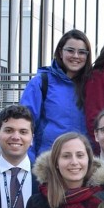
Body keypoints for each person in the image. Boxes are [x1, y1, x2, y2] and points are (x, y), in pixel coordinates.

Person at [19, 29, 93, 161]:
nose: (76, 56)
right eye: (70, 50)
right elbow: (24, 125)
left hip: (82, 163)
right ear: (60, 52)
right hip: (49, 163)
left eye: (82, 52)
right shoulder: (41, 83)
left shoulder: (93, 84)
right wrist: (30, 161)